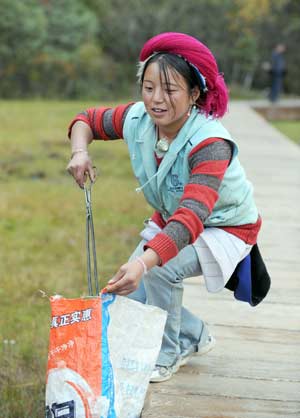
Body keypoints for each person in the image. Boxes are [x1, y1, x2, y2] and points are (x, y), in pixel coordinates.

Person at [67, 32, 263, 383]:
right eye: (148, 87)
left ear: (194, 94)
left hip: (226, 227)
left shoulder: (210, 143)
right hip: (175, 219)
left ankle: (168, 354)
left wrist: (145, 260)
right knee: (126, 293)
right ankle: (196, 334)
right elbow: (86, 120)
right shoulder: (138, 118)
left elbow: (190, 219)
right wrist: (80, 152)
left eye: (170, 90)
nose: (156, 100)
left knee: (158, 269)